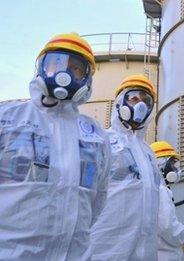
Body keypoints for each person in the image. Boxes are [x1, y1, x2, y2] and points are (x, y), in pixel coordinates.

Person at [0, 32, 110, 260]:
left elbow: (97, 200)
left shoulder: (96, 136)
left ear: (86, 78)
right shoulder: (8, 119)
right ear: (41, 68)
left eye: (76, 68)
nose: (64, 73)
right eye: (56, 63)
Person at [89, 74, 161, 260]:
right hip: (106, 248)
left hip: (144, 250)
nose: (140, 105)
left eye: (146, 101)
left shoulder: (148, 153)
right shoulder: (101, 141)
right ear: (121, 102)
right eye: (134, 98)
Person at [151, 140, 184, 260]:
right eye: (172, 164)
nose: (175, 169)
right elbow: (167, 227)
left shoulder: (151, 188)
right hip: (165, 254)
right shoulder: (161, 191)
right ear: (161, 165)